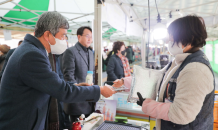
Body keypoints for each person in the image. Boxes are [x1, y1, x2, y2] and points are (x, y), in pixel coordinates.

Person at [0, 12, 116, 130]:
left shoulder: (32, 50)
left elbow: (54, 83)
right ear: (47, 35)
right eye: (63, 36)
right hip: (20, 123)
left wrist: (77, 85)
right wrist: (99, 90)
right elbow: (63, 91)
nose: (65, 40)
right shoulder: (31, 55)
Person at [113, 15, 214, 130]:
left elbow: (180, 114)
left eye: (172, 36)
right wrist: (124, 82)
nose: (168, 40)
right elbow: (156, 78)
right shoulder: (179, 61)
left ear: (189, 38)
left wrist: (148, 105)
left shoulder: (195, 70)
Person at [62, 26, 96, 125]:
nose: (90, 39)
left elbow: (92, 73)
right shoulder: (71, 52)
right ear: (79, 36)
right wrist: (80, 90)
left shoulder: (90, 52)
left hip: (89, 100)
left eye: (91, 37)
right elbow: (69, 77)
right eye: (87, 36)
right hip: (77, 101)